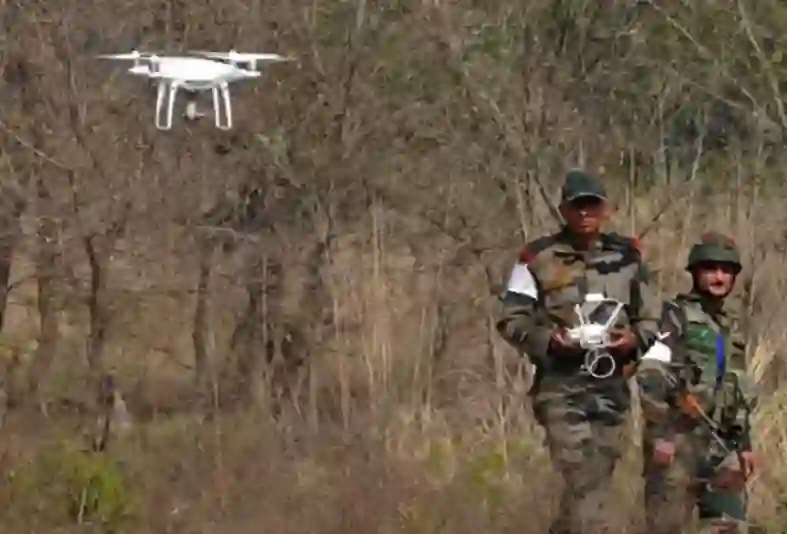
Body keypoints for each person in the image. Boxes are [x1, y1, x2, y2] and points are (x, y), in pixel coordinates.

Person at [496, 170, 661, 534]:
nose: (585, 212)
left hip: (611, 387)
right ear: (563, 210)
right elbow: (511, 319)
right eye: (577, 206)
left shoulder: (628, 257)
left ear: (605, 209)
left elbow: (652, 317)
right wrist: (550, 341)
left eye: (592, 205)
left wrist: (633, 340)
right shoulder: (537, 258)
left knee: (596, 481)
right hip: (561, 387)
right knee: (578, 475)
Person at [637, 232, 759, 534]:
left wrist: (744, 443)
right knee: (666, 526)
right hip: (678, 444)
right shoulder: (673, 316)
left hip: (722, 447)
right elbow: (651, 374)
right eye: (710, 269)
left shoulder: (732, 326)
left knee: (729, 526)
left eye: (726, 270)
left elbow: (737, 388)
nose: (719, 277)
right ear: (695, 273)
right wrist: (663, 434)